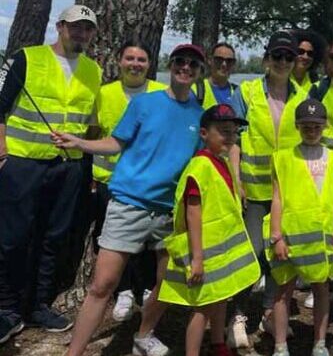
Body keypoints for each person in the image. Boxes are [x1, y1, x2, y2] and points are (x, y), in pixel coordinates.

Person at [57, 43, 206, 356]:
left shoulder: (199, 115)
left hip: (168, 212)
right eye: (180, 61)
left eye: (193, 64)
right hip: (129, 204)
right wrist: (80, 142)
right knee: (102, 285)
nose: (185, 68)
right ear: (170, 65)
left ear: (198, 72)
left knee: (167, 284)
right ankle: (74, 352)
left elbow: (198, 165)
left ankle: (143, 334)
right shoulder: (144, 104)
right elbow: (115, 142)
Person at [0, 5, 101, 344]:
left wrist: (88, 169)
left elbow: (91, 126)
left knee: (53, 238)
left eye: (87, 29)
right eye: (75, 26)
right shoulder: (27, 58)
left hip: (68, 167)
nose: (81, 33)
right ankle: (7, 309)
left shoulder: (93, 71)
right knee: (13, 237)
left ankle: (38, 305)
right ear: (60, 26)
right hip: (23, 162)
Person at [157, 104, 257, 356]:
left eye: (233, 132)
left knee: (221, 296)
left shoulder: (221, 162)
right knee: (202, 307)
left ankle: (217, 343)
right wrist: (197, 259)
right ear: (204, 134)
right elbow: (193, 211)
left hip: (220, 251)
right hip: (204, 252)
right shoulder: (200, 167)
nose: (229, 137)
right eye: (223, 131)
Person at [228, 31, 307, 347]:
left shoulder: (303, 97)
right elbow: (233, 139)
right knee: (251, 255)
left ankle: (270, 314)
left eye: (289, 57)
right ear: (266, 60)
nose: (284, 62)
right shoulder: (246, 93)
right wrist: (236, 181)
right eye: (278, 56)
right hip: (254, 191)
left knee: (280, 255)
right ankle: (236, 317)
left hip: (287, 193)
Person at [266, 99, 333, 356]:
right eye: (305, 126)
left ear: (324, 127)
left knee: (322, 289)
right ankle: (280, 345)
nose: (311, 131)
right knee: (284, 291)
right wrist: (276, 236)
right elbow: (277, 198)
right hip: (291, 236)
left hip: (323, 237)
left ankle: (319, 343)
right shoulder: (283, 159)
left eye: (316, 126)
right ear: (298, 127)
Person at [93, 42, 166, 323]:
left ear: (150, 64)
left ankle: (147, 288)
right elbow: (95, 132)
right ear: (119, 61)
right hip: (108, 182)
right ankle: (123, 292)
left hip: (149, 185)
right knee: (112, 242)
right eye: (130, 58)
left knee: (150, 242)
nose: (135, 64)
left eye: (142, 59)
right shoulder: (104, 94)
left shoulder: (161, 93)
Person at [194, 42, 239, 108]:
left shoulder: (238, 93)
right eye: (219, 60)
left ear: (234, 64)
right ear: (210, 60)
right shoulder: (196, 90)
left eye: (229, 61)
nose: (224, 64)